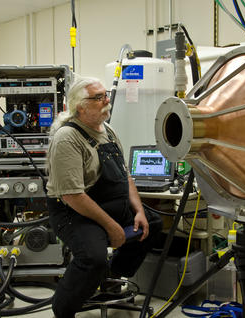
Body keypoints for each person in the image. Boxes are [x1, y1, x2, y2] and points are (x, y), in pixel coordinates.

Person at [45, 75, 162, 318]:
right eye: (98, 98)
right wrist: (112, 227)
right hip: (74, 212)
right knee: (93, 257)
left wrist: (139, 211)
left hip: (106, 203)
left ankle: (110, 275)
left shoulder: (108, 130)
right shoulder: (68, 138)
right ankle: (63, 308)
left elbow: (125, 176)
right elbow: (73, 196)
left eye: (105, 95)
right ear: (80, 106)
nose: (106, 100)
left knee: (153, 223)